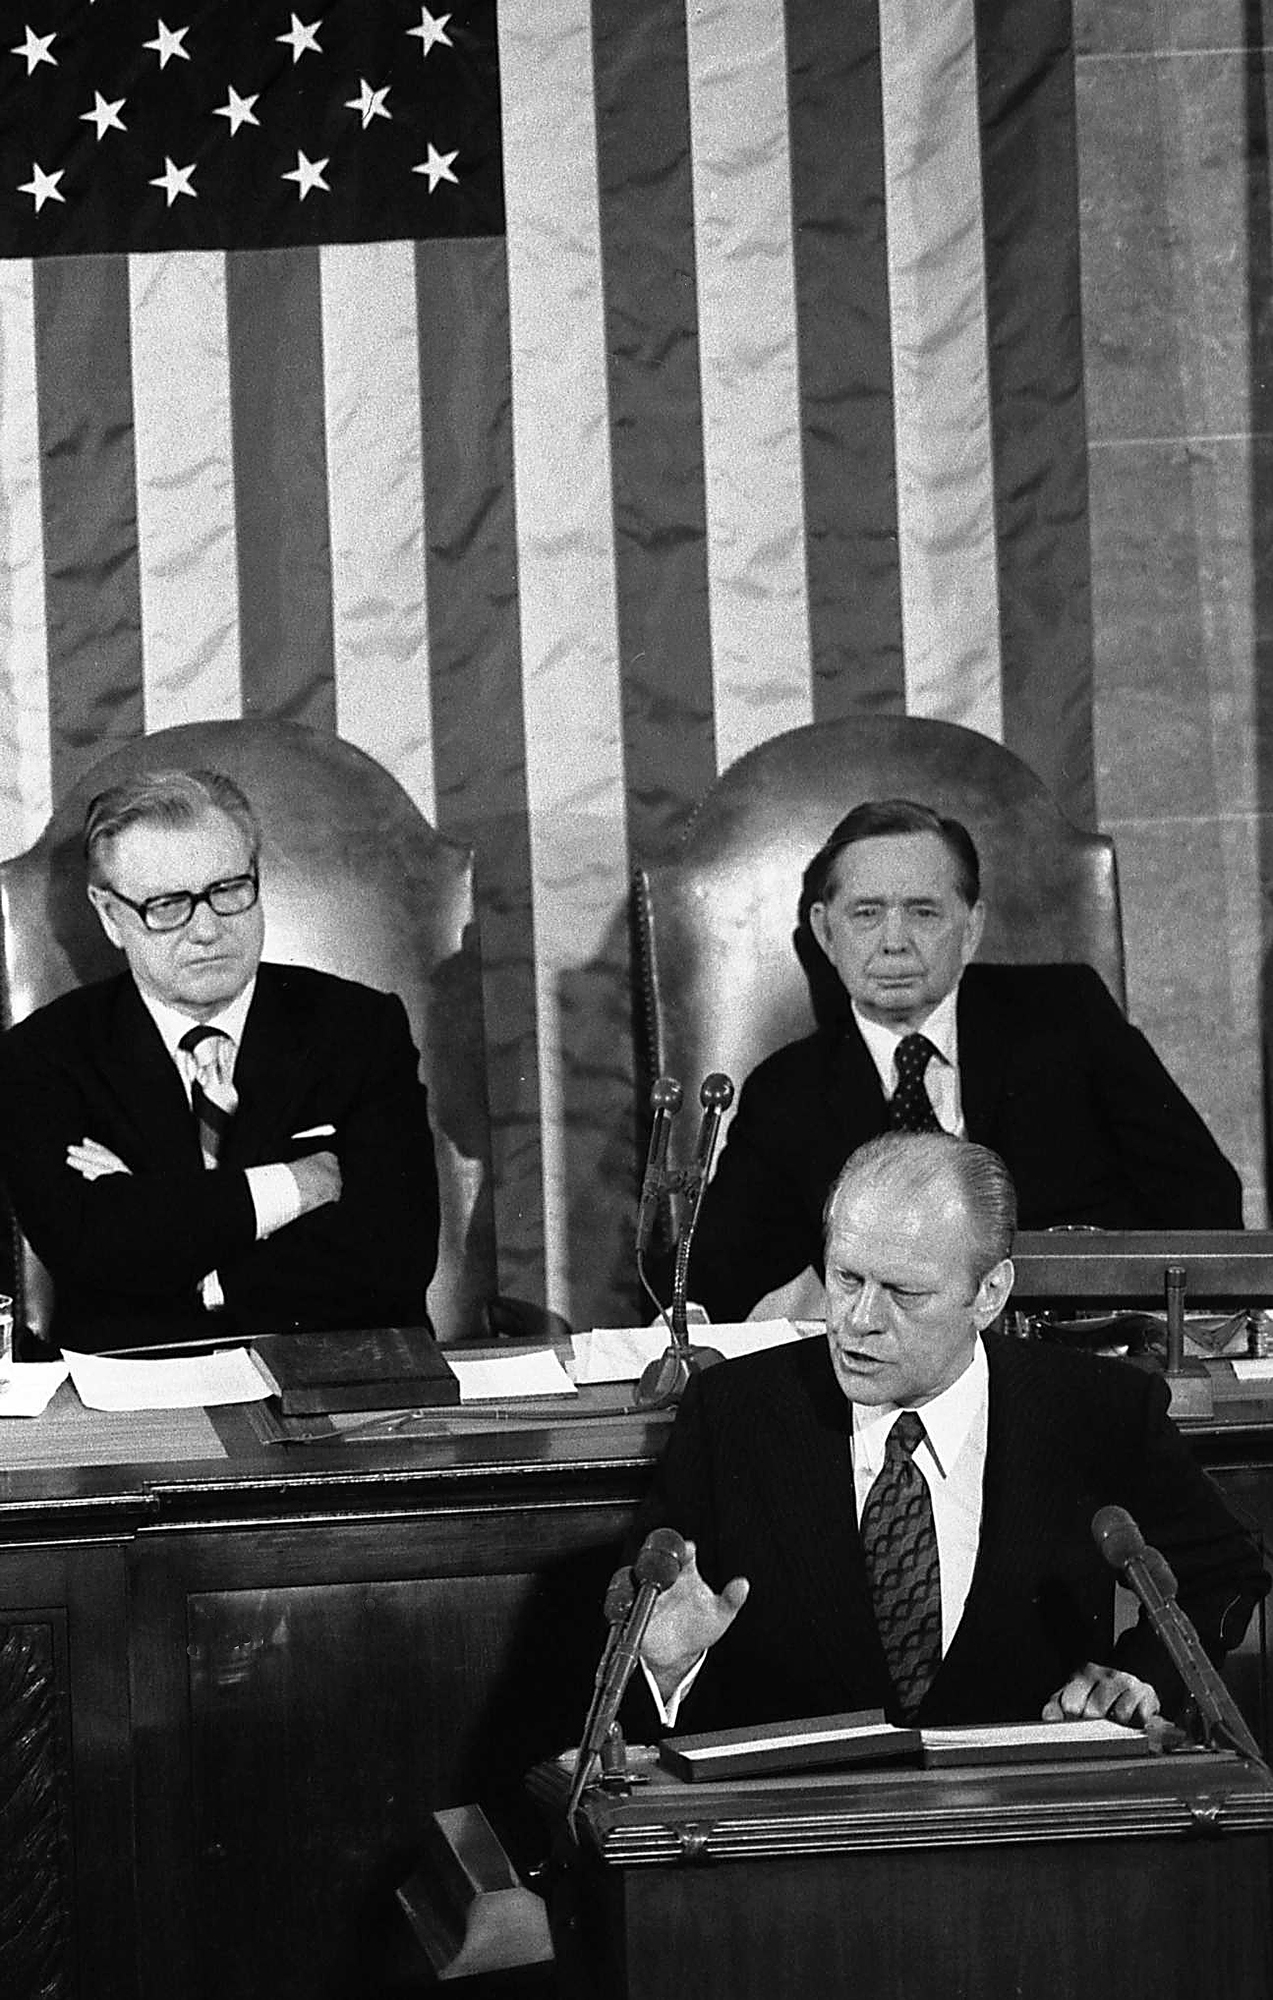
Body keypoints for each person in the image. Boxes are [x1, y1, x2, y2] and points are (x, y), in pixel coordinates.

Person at [637, 1133, 1268, 1736]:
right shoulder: (732, 1413)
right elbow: (643, 1658)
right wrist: (667, 1666)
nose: (859, 1322)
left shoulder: (1097, 1409)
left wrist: (1143, 1674)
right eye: (847, 1279)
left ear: (990, 1293)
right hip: (806, 1825)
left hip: (1021, 1822)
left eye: (903, 1293)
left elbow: (1223, 1572)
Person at [687, 798, 1242, 1323]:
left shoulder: (1067, 1016)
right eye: (866, 914)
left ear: (971, 928)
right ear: (826, 932)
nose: (894, 942)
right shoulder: (786, 1093)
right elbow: (710, 1285)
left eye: (924, 912)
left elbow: (1206, 1204)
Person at [0, 768, 440, 1351]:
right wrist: (297, 1186)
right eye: (167, 905)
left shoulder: (358, 1028)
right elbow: (94, 1254)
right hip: (142, 1394)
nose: (207, 929)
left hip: (340, 1376)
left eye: (229, 890)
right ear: (110, 917)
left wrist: (160, 1220)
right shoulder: (42, 1057)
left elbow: (395, 1259)